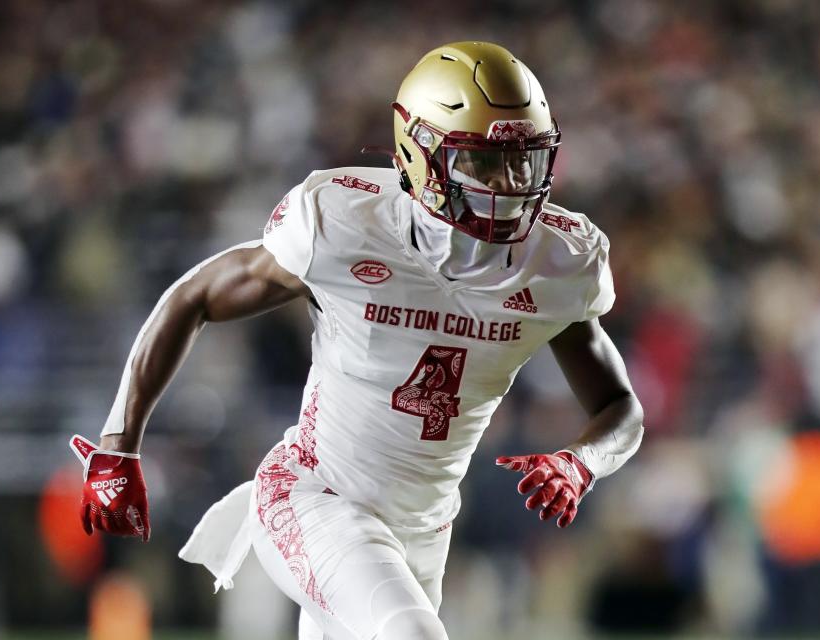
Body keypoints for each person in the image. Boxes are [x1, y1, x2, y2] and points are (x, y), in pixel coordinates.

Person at [69, 41, 645, 640]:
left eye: (524, 160)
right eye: (484, 163)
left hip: (423, 533)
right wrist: (120, 443)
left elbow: (619, 408)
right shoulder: (343, 222)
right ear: (418, 154)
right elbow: (196, 296)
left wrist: (581, 463)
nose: (510, 184)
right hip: (314, 493)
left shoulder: (560, 262)